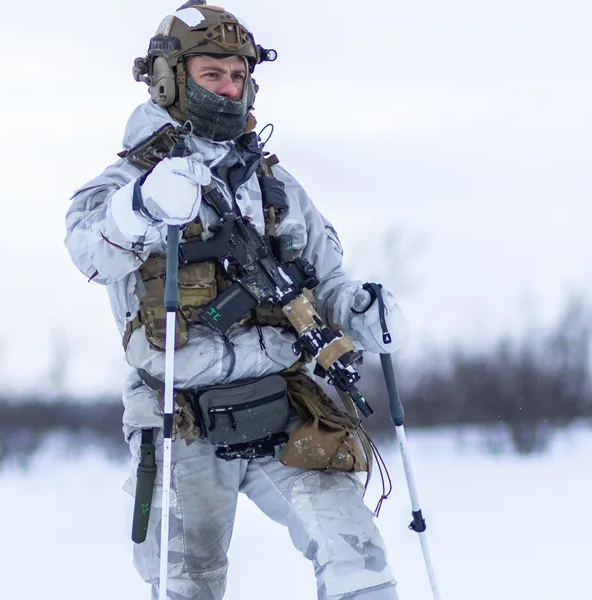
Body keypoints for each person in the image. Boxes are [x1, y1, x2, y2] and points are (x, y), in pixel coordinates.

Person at [63, 3, 411, 599]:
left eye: (238, 76)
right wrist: (142, 209)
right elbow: (89, 252)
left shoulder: (274, 183)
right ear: (170, 78)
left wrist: (360, 308)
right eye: (211, 75)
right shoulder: (125, 184)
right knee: (190, 587)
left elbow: (325, 280)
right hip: (183, 418)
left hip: (285, 408)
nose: (229, 89)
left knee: (361, 565)